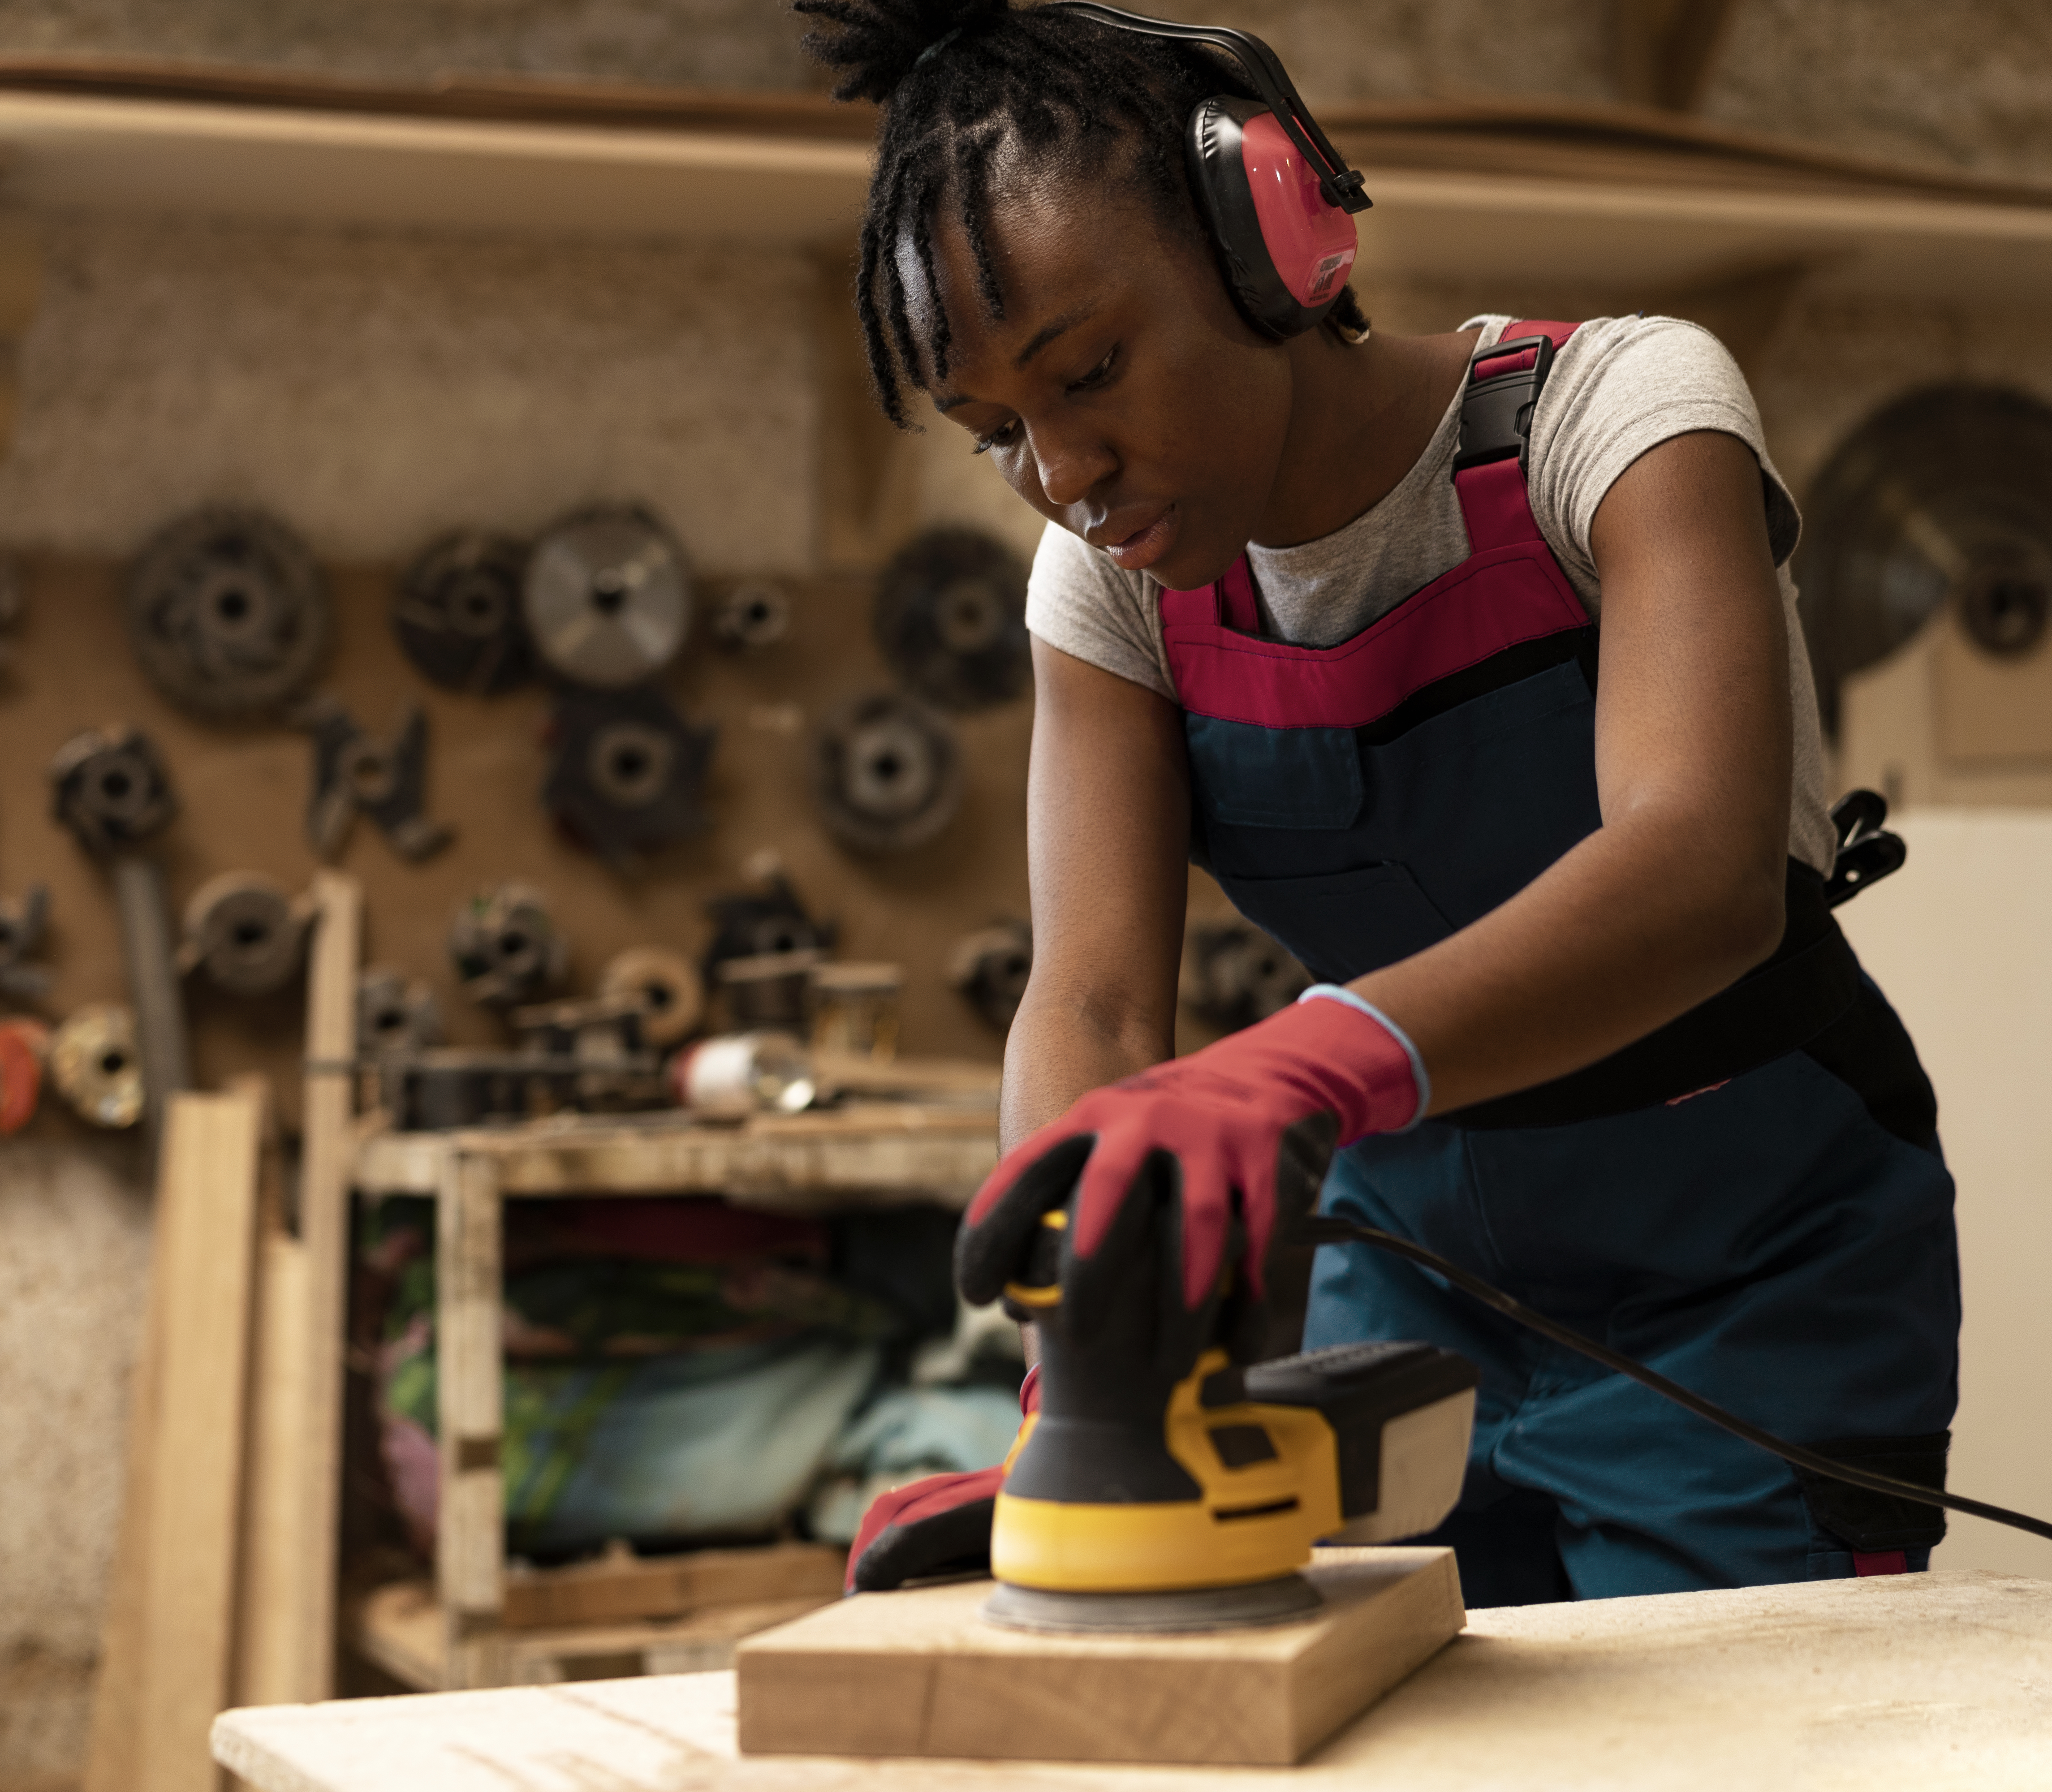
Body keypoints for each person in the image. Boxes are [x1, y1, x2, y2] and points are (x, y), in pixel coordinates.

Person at [808, 0, 1960, 1606]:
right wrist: (1087, 1397)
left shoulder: (1616, 422)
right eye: (1000, 431)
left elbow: (1703, 871)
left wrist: (1298, 1066)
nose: (1064, 474)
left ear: (1272, 238)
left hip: (1749, 1259)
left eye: (1090, 373)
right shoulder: (1111, 593)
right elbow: (1090, 997)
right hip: (1413, 1267)